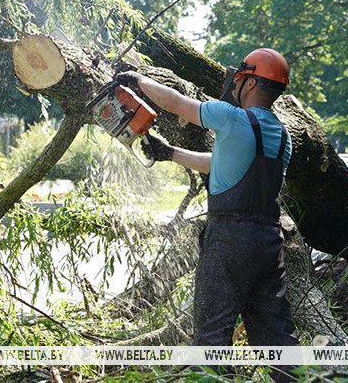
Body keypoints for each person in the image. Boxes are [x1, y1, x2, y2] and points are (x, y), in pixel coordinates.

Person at [115, 48, 299, 381]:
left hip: (230, 239)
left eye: (239, 78)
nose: (235, 84)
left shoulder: (231, 118)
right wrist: (171, 153)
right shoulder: (282, 136)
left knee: (211, 338)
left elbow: (176, 103)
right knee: (277, 340)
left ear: (250, 83)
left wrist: (138, 80)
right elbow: (223, 164)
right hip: (268, 242)